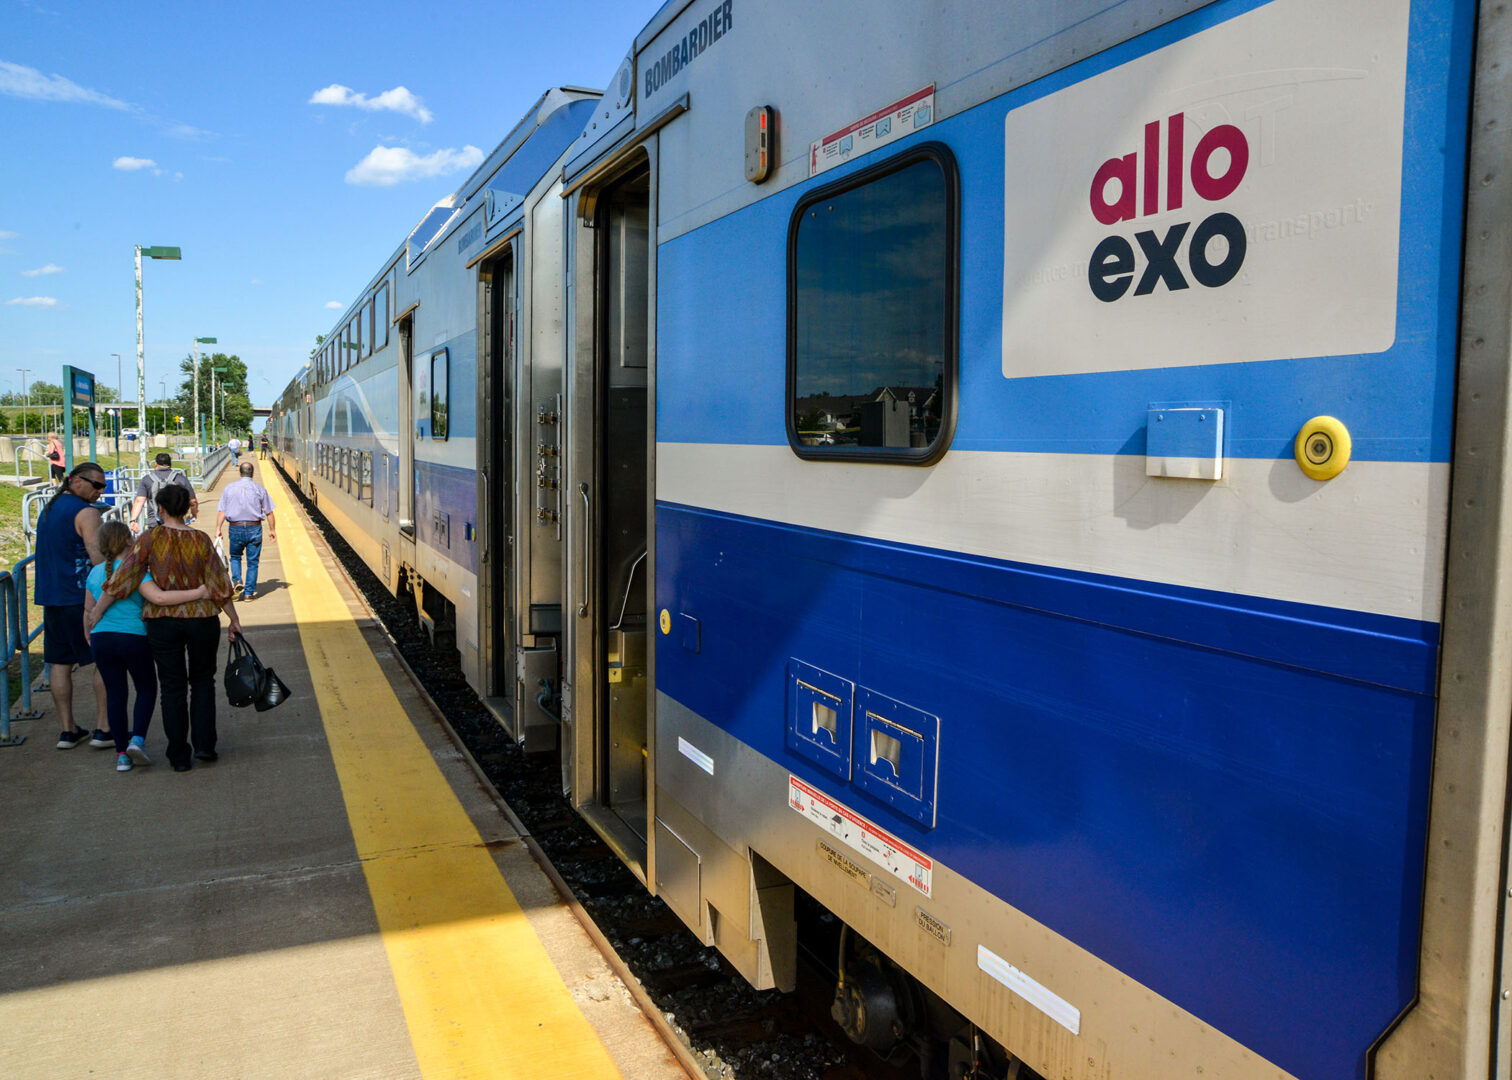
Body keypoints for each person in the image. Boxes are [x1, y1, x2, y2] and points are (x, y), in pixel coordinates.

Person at [92, 483, 240, 772]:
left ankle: (179, 756)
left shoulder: (149, 538)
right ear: (187, 509)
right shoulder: (200, 539)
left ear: (159, 508)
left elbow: (124, 577)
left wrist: (97, 611)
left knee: (172, 688)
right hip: (202, 619)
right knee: (202, 682)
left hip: (163, 622)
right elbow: (218, 583)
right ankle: (205, 746)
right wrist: (234, 619)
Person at [83, 521, 209, 772]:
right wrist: (199, 592)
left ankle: (121, 754)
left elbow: (87, 609)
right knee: (147, 688)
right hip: (134, 638)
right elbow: (159, 598)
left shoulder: (95, 572)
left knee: (116, 694)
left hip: (101, 639)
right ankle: (137, 740)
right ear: (129, 542)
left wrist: (89, 636)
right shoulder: (137, 571)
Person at [36, 462, 110, 748]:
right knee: (102, 660)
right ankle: (104, 728)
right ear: (77, 481)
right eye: (96, 485)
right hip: (81, 599)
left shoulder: (49, 508)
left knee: (59, 662)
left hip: (52, 597)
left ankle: (67, 731)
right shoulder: (87, 513)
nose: (100, 491)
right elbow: (99, 560)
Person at [215, 461, 276, 601]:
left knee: (235, 557)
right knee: (253, 562)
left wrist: (218, 528)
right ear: (253, 473)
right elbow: (269, 513)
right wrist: (272, 530)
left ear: (239, 472)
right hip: (254, 527)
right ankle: (249, 594)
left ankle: (237, 581)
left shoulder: (229, 489)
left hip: (235, 528)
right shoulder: (260, 489)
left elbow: (222, 511)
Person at [131, 452, 197, 532]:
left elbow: (139, 501)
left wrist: (133, 520)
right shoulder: (180, 479)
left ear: (156, 464)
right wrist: (193, 514)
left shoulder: (147, 479)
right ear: (170, 464)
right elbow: (193, 501)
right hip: (177, 523)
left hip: (154, 523)